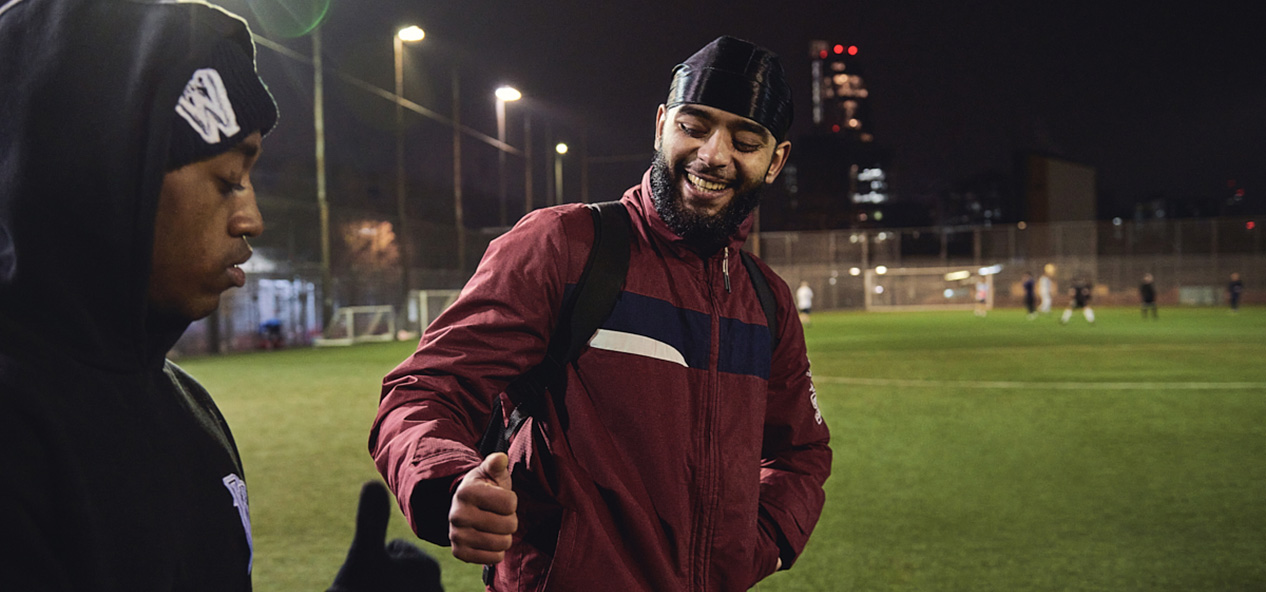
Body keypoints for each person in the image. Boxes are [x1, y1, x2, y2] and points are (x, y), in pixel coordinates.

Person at [1, 1, 437, 590]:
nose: (252, 218)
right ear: (106, 173)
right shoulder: (20, 440)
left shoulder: (187, 403)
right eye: (228, 179)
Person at [370, 36, 832, 591]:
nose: (713, 154)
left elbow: (800, 451)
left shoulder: (767, 300)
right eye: (694, 125)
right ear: (661, 124)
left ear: (774, 160)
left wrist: (762, 544)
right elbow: (425, 389)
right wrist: (447, 481)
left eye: (745, 140)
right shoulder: (563, 247)